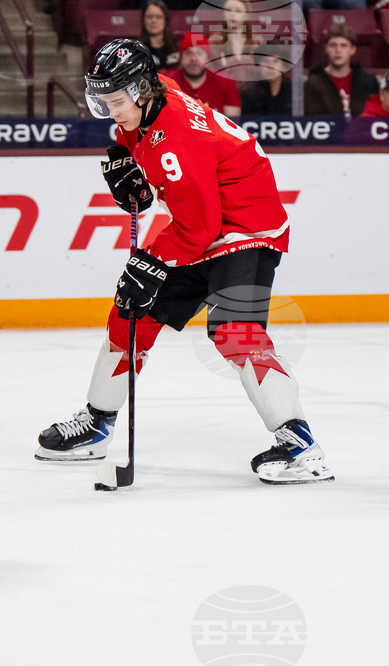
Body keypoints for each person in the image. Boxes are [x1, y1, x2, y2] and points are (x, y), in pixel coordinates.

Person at [36, 39, 333, 486]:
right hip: (207, 221)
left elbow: (198, 228)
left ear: (140, 88)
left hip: (248, 229)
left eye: (115, 102)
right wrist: (131, 167)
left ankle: (302, 447)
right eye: (103, 101)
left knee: (236, 334)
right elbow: (156, 162)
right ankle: (98, 424)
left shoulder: (178, 135)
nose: (110, 111)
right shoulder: (152, 98)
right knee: (130, 312)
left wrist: (151, 261)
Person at [304, 24, 379, 118]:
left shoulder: (368, 83)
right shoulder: (312, 84)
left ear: (352, 50)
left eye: (343, 45)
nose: (338, 50)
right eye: (333, 45)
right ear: (326, 48)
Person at [163, 32, 241, 117]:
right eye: (188, 53)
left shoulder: (225, 82)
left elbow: (233, 124)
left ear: (207, 58)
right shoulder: (168, 83)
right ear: (181, 58)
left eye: (199, 53)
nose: (193, 58)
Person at [240, 48, 292, 116]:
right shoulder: (248, 94)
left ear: (284, 67)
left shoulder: (294, 92)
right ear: (258, 67)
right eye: (265, 61)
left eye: (275, 61)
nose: (270, 66)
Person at [139, 0, 180, 70]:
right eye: (149, 17)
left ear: (166, 20)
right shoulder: (138, 50)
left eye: (158, 17)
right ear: (143, 20)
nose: (153, 21)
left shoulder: (177, 47)